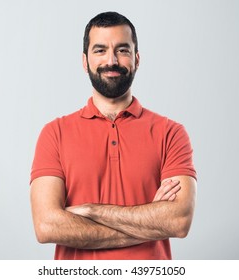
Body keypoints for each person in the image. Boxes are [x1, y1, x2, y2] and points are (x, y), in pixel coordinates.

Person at [30, 11, 197, 260]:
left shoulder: (170, 133)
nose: (112, 60)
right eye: (99, 50)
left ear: (137, 59)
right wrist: (151, 219)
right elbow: (46, 226)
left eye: (122, 50)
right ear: (84, 61)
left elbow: (179, 221)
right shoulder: (54, 133)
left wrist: (90, 211)